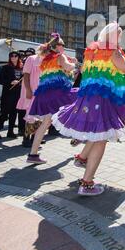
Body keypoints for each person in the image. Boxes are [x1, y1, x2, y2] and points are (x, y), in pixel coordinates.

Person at [52, 22, 125, 196]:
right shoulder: (113, 52)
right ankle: (87, 183)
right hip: (102, 100)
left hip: (87, 98)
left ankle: (82, 158)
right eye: (119, 34)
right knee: (102, 138)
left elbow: (87, 74)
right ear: (110, 35)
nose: (120, 38)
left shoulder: (91, 52)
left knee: (97, 132)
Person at [26, 33, 77, 164]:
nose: (64, 47)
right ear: (58, 46)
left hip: (44, 94)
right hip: (57, 94)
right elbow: (68, 67)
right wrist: (74, 63)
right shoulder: (60, 56)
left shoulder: (46, 59)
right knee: (80, 100)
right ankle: (79, 135)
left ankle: (33, 154)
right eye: (63, 45)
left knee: (46, 123)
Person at [0, 51, 23, 139]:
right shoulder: (5, 67)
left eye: (15, 56)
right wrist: (10, 82)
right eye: (11, 56)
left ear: (18, 57)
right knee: (4, 113)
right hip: (8, 94)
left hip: (18, 94)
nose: (13, 57)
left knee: (14, 113)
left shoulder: (21, 68)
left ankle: (10, 132)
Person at [16, 48, 37, 138]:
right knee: (29, 115)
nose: (27, 55)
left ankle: (34, 137)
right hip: (30, 90)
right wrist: (28, 90)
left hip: (38, 91)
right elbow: (26, 75)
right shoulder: (30, 59)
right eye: (26, 54)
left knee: (37, 116)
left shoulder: (44, 60)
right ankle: (26, 137)